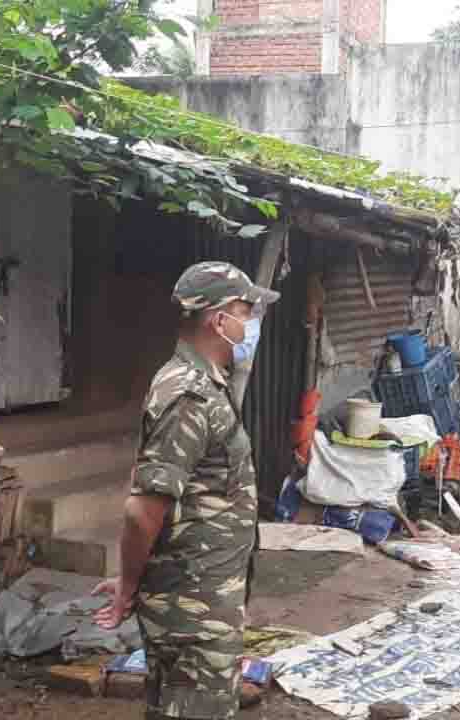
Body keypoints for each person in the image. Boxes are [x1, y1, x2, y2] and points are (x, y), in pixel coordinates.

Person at [92, 261, 278, 720]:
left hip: (198, 596)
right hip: (193, 610)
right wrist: (129, 586)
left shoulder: (201, 383)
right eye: (246, 312)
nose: (251, 323)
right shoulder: (190, 394)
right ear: (219, 320)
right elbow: (142, 511)